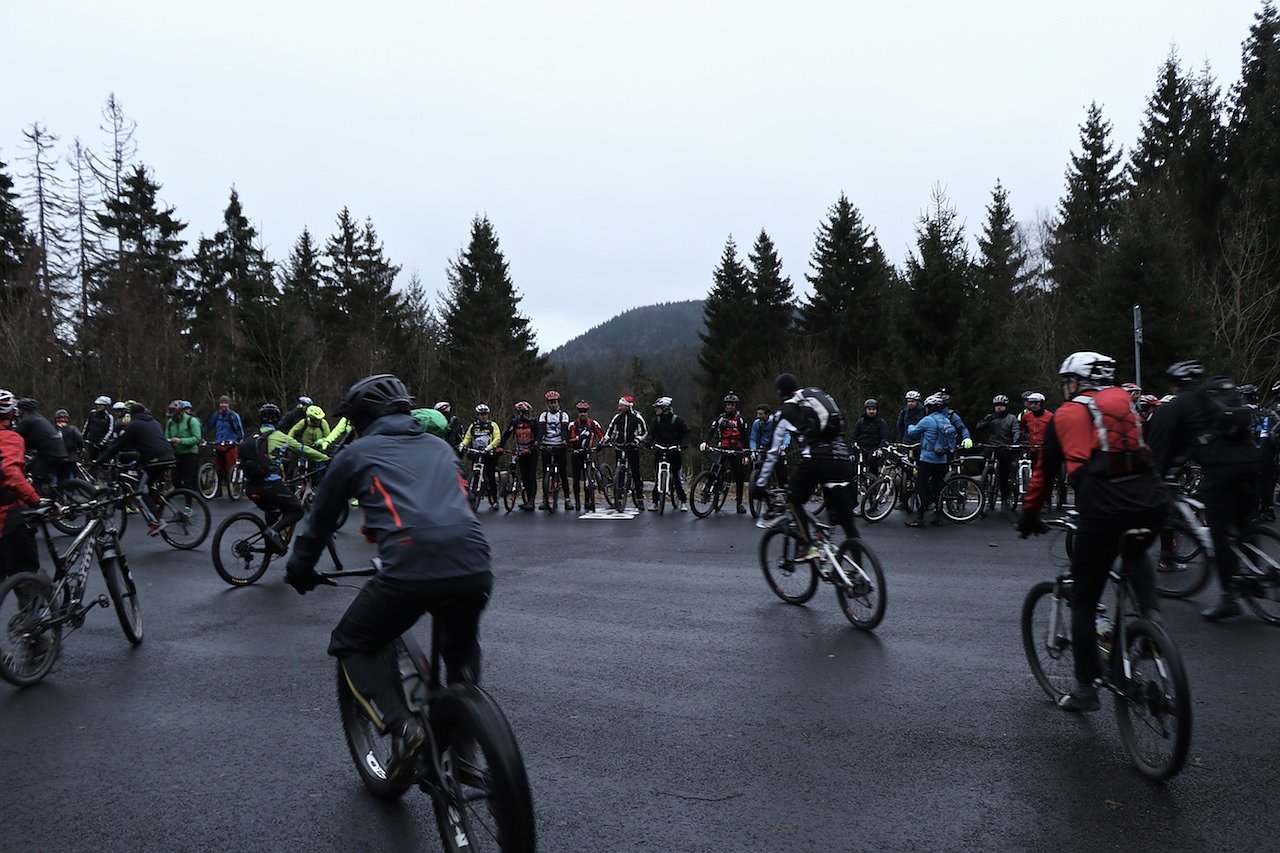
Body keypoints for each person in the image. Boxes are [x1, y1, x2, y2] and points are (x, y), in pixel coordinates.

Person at [283, 374, 493, 782]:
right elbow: (452, 503)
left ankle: (404, 727)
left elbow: (321, 520)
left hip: (410, 568)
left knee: (350, 642)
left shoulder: (356, 453)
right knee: (460, 648)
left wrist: (300, 569)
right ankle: (466, 748)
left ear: (363, 419)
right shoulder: (440, 447)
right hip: (475, 565)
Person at [1017, 351, 1169, 711]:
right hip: (1151, 500)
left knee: (1084, 600)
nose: (1064, 388)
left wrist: (1030, 515)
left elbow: (1044, 472)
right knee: (1134, 552)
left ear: (1076, 382)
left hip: (1103, 507)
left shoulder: (1066, 414)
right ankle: (1151, 623)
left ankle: (1086, 690)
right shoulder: (1124, 403)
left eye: (1066, 381)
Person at [1149, 360, 1260, 621]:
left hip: (1221, 468)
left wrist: (1162, 474)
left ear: (1175, 384)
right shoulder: (1218, 396)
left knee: (1219, 532)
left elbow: (1167, 445)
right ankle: (1256, 576)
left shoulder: (1180, 404)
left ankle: (1229, 597)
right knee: (1245, 525)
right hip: (1251, 463)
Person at [753, 374, 859, 557]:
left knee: (793, 500)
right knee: (847, 521)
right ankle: (858, 570)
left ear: (780, 393)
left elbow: (772, 453)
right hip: (843, 458)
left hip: (816, 460)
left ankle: (807, 545)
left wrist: (760, 484)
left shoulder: (784, 412)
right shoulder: (815, 394)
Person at [239, 402, 329, 554]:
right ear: (277, 419)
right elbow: (304, 450)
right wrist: (326, 458)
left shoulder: (250, 436)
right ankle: (273, 532)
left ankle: (272, 543)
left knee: (272, 510)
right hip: (271, 485)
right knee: (297, 511)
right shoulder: (282, 437)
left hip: (250, 486)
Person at [98, 401, 177, 534]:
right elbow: (149, 445)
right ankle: (156, 504)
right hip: (169, 456)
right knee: (149, 484)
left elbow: (117, 445)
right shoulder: (155, 422)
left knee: (139, 493)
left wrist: (99, 461)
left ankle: (156, 522)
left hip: (154, 460)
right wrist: (138, 463)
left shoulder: (133, 424)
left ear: (131, 414)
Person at [0, 390, 43, 580]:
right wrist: (36, 500)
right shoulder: (10, 437)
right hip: (7, 516)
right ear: (11, 414)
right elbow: (10, 474)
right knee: (26, 574)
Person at [904, 395, 956, 527]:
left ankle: (920, 517)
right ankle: (937, 517)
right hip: (942, 459)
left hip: (927, 459)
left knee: (919, 487)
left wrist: (910, 426)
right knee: (938, 488)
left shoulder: (927, 420)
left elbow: (913, 433)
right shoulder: (946, 420)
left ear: (929, 408)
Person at [700, 392, 750, 513]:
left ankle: (739, 503)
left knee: (739, 475)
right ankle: (707, 492)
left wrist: (746, 454)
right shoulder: (720, 419)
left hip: (736, 449)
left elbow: (745, 438)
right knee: (714, 467)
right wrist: (705, 442)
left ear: (736, 406)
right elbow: (711, 431)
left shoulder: (741, 420)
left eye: (732, 405)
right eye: (728, 404)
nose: (730, 407)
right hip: (723, 447)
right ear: (725, 406)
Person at [977, 394, 1021, 510]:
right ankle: (985, 481)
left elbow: (1016, 431)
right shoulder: (991, 417)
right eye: (997, 405)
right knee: (980, 459)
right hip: (992, 446)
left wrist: (1015, 442)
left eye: (1001, 405)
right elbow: (979, 427)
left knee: (1003, 475)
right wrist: (988, 420)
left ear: (1006, 406)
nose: (999, 407)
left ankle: (1004, 499)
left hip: (1005, 447)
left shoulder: (1012, 418)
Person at [603, 396, 647, 510]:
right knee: (619, 473)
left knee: (636, 473)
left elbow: (644, 432)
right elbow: (610, 431)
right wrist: (605, 440)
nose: (619, 408)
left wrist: (637, 440)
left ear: (628, 406)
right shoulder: (617, 417)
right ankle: (618, 499)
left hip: (632, 448)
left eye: (621, 406)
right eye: (619, 406)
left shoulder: (637, 417)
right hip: (620, 447)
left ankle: (640, 499)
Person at [14, 399, 68, 489]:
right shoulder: (38, 418)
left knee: (36, 478)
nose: (18, 412)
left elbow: (15, 437)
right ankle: (51, 489)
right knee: (29, 467)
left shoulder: (27, 420)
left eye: (19, 409)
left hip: (49, 453)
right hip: (59, 451)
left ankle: (41, 495)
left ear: (23, 410)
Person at [647, 396, 690, 510]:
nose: (656, 410)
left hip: (674, 450)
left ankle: (683, 501)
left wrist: (683, 444)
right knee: (657, 476)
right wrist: (648, 442)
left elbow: (685, 433)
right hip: (660, 449)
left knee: (676, 477)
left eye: (658, 408)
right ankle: (655, 502)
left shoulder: (677, 420)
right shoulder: (657, 421)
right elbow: (651, 434)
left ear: (665, 408)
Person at [461, 404, 502, 509]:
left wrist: (489, 447)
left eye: (485, 414)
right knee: (474, 475)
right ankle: (473, 496)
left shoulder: (492, 425)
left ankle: (495, 500)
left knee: (491, 477)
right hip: (476, 453)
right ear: (477, 415)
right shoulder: (473, 426)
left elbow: (497, 438)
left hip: (488, 454)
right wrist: (462, 445)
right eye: (481, 414)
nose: (483, 416)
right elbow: (468, 437)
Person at [204, 395, 245, 498]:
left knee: (230, 467)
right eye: (222, 403)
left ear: (229, 404)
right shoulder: (216, 415)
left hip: (230, 444)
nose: (223, 405)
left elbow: (238, 428)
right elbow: (209, 426)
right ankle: (218, 490)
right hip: (219, 443)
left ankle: (232, 488)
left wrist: (239, 440)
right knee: (218, 468)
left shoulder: (233, 416)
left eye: (225, 403)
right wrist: (204, 437)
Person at [537, 390, 571, 511]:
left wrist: (564, 441)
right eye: (551, 402)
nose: (553, 404)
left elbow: (564, 430)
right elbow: (541, 431)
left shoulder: (563, 415)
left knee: (562, 473)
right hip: (547, 445)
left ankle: (567, 500)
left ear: (558, 402)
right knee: (545, 472)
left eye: (555, 402)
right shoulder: (543, 415)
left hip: (559, 445)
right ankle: (545, 500)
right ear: (547, 403)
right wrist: (537, 442)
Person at [569, 401, 604, 511]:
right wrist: (578, 438)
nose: (583, 414)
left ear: (588, 412)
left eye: (585, 412)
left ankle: (587, 500)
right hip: (576, 453)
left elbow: (601, 436)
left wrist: (600, 445)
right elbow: (570, 439)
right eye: (580, 412)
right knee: (576, 478)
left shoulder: (593, 423)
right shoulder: (573, 425)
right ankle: (577, 501)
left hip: (588, 453)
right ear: (578, 413)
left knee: (588, 479)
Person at [506, 402, 538, 511]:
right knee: (524, 476)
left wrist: (530, 448)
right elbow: (506, 434)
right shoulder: (515, 422)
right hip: (520, 451)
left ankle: (531, 501)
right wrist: (500, 446)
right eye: (525, 413)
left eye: (529, 412)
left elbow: (537, 438)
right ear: (520, 413)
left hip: (531, 452)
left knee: (531, 475)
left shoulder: (533, 422)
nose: (528, 415)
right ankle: (527, 500)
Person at [165, 399, 202, 492]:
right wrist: (169, 441)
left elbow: (197, 438)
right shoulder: (170, 422)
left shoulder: (192, 421)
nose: (174, 418)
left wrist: (181, 441)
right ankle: (183, 492)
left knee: (188, 480)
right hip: (176, 454)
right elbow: (166, 436)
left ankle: (189, 499)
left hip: (190, 453)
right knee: (175, 481)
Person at [850, 399, 890, 477]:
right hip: (861, 448)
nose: (871, 411)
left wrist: (881, 448)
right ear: (866, 410)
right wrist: (853, 446)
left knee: (872, 461)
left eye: (873, 409)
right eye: (869, 409)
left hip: (875, 448)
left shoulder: (881, 422)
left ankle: (874, 481)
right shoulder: (860, 422)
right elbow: (854, 435)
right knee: (855, 463)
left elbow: (885, 437)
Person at [53, 409, 86, 481]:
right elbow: (80, 440)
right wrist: (81, 449)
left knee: (56, 480)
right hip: (71, 458)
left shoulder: (52, 430)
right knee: (71, 480)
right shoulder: (73, 429)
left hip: (56, 459)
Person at [82, 396, 115, 463]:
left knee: (104, 460)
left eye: (101, 405)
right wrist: (83, 437)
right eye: (98, 405)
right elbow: (87, 426)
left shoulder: (108, 417)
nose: (99, 406)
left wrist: (102, 442)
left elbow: (110, 431)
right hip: (92, 442)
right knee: (92, 461)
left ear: (105, 406)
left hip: (102, 444)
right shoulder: (92, 414)